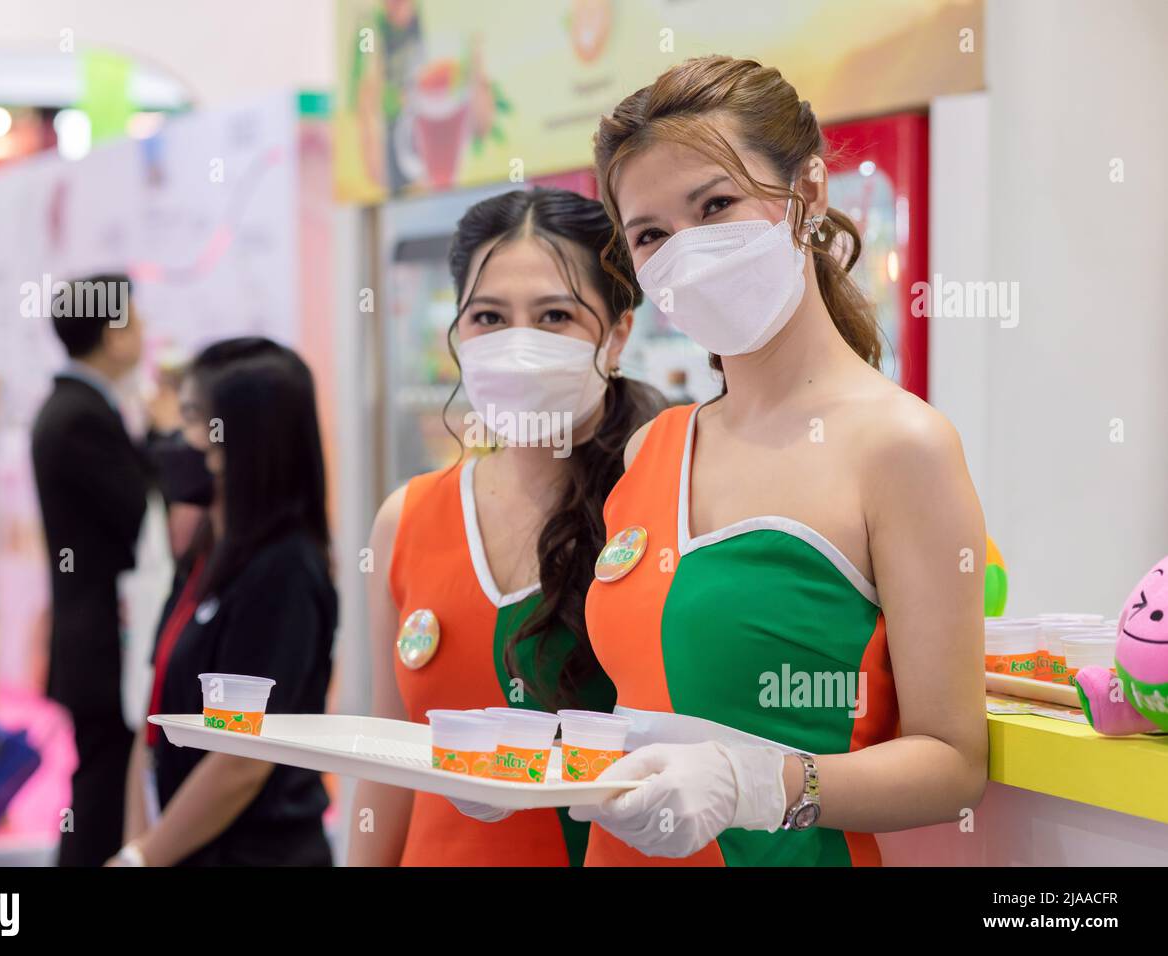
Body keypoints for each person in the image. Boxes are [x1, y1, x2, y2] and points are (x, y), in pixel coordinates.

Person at [565, 56, 988, 865]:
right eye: (651, 233)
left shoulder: (901, 447)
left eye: (716, 206)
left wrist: (763, 785)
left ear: (810, 194)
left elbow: (952, 763)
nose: (685, 253)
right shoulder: (656, 446)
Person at [347, 188, 664, 866]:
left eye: (554, 316)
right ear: (457, 334)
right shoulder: (406, 518)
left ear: (617, 334)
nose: (519, 344)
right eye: (489, 316)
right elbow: (386, 748)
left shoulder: (661, 505)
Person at [110, 351, 336, 866]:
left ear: (241, 439)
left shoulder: (285, 570)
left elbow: (240, 759)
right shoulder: (209, 550)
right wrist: (139, 845)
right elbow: (156, 710)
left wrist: (142, 858)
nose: (173, 435)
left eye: (189, 418)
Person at [30, 273, 150, 867]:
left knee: (102, 786)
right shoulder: (79, 416)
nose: (144, 330)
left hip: (97, 639)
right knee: (100, 796)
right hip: (101, 643)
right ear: (109, 332)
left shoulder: (79, 408)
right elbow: (137, 515)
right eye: (132, 319)